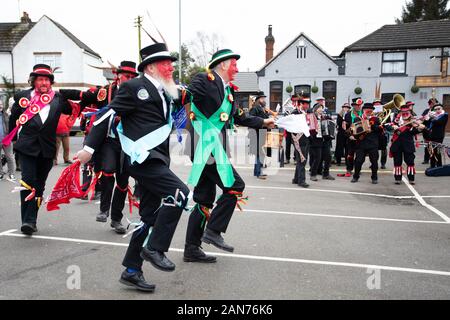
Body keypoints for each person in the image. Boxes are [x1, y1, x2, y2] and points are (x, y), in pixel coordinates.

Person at [79, 43, 190, 292]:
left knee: (148, 218)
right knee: (180, 194)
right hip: (142, 159)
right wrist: (89, 148)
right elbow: (107, 115)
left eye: (171, 63)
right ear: (150, 67)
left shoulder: (166, 92)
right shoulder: (133, 87)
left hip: (159, 159)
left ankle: (131, 270)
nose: (171, 67)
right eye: (165, 63)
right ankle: (155, 248)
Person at [184, 49, 275, 263]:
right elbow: (187, 93)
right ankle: (213, 230)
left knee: (203, 200)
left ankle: (191, 249)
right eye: (234, 64)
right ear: (223, 65)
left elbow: (238, 116)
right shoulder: (205, 80)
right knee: (235, 185)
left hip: (213, 148)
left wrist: (263, 122)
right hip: (203, 146)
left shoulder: (228, 92)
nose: (237, 69)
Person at [4, 64, 82, 235]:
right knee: (28, 181)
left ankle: (32, 218)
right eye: (40, 79)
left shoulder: (58, 99)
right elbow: (13, 120)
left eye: (47, 79)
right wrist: (12, 140)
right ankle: (28, 221)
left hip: (47, 148)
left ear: (51, 82)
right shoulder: (22, 97)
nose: (44, 82)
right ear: (34, 81)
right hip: (27, 146)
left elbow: (76, 106)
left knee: (39, 186)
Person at [78, 61, 138, 233]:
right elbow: (85, 97)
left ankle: (116, 219)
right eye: (127, 76)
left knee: (123, 181)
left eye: (133, 77)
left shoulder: (140, 94)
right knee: (108, 170)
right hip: (109, 140)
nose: (130, 79)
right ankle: (104, 209)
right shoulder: (107, 92)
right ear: (118, 76)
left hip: (129, 142)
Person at [385, 104, 426, 185]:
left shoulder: (413, 121)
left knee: (410, 162)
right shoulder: (396, 121)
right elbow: (386, 126)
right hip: (397, 145)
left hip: (408, 145)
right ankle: (397, 178)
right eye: (402, 112)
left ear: (409, 112)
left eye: (406, 112)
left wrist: (418, 126)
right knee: (397, 162)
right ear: (400, 112)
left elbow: (418, 130)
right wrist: (393, 127)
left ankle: (411, 179)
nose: (404, 113)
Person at [351, 103, 380, 184]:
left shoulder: (375, 119)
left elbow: (380, 130)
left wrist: (373, 127)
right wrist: (358, 136)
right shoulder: (358, 119)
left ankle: (374, 177)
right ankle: (355, 176)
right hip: (361, 143)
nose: (369, 111)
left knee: (374, 161)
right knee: (358, 161)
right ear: (363, 110)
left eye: (371, 110)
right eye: (367, 110)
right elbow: (354, 131)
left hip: (373, 143)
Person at [291, 97, 312, 188]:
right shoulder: (295, 113)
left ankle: (296, 179)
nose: (307, 106)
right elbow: (292, 126)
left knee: (301, 159)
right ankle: (301, 180)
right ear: (301, 104)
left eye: (308, 104)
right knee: (302, 160)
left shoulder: (308, 113)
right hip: (298, 140)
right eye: (305, 104)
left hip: (306, 139)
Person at [249, 91, 270, 179]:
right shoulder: (255, 108)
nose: (264, 100)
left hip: (261, 132)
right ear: (258, 100)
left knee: (260, 153)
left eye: (264, 98)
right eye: (262, 98)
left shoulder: (261, 108)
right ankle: (259, 172)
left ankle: (256, 171)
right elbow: (251, 119)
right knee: (259, 153)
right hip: (257, 133)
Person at [341, 98, 363, 178]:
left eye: (360, 105)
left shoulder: (363, 114)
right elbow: (344, 128)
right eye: (357, 105)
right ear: (353, 106)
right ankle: (349, 169)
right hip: (351, 138)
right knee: (349, 155)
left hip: (361, 138)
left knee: (360, 156)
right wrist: (349, 135)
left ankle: (357, 169)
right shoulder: (347, 115)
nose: (358, 107)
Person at [425, 103, 449, 169]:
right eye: (435, 109)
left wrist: (432, 117)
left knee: (437, 151)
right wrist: (427, 117)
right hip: (432, 136)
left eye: (439, 109)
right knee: (431, 151)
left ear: (442, 109)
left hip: (439, 136)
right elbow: (427, 123)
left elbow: (439, 122)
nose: (437, 110)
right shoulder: (433, 116)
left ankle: (439, 166)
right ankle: (433, 165)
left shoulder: (444, 115)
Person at [0, 100, 16, 181]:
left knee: (10, 157)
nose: (0, 106)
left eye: (1, 104)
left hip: (7, 139)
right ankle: (0, 173)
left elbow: (12, 125)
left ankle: (11, 174)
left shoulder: (6, 114)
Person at [421, 98, 438, 164]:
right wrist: (425, 118)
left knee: (434, 146)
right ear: (429, 104)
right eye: (431, 103)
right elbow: (422, 119)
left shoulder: (438, 111)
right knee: (427, 145)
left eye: (434, 103)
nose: (433, 105)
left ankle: (434, 160)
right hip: (426, 131)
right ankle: (426, 159)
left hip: (434, 131)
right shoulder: (426, 111)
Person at [373, 99, 388, 169]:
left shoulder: (385, 112)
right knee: (373, 149)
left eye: (378, 104)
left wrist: (383, 124)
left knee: (384, 149)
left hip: (382, 132)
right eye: (375, 104)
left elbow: (389, 122)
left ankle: (383, 163)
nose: (377, 105)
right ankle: (373, 162)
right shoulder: (371, 112)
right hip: (374, 132)